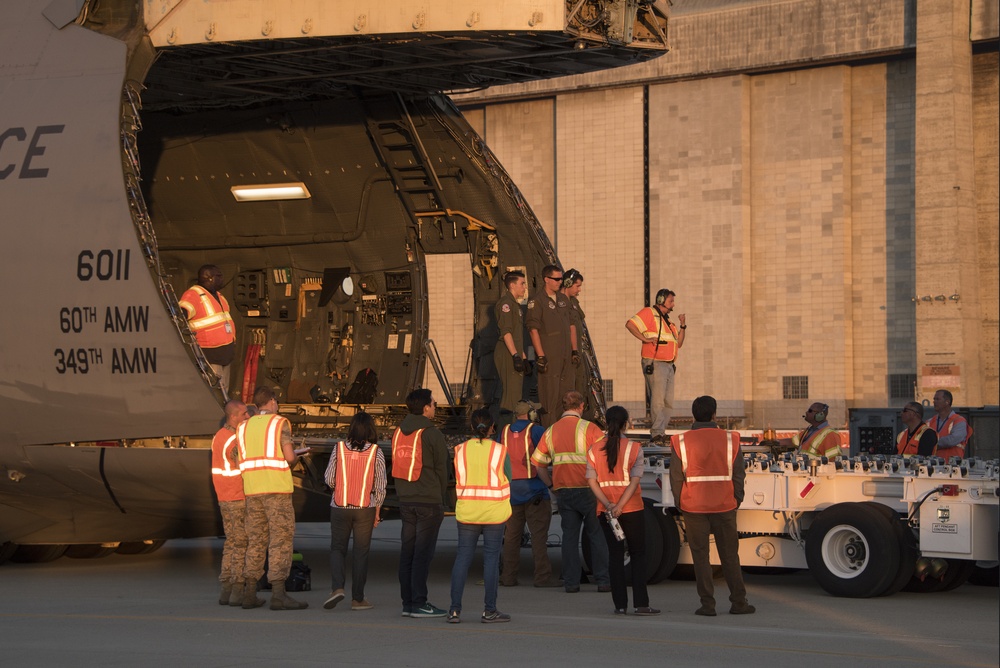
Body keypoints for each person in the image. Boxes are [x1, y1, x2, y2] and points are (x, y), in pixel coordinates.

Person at [670, 395, 755, 616]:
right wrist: (737, 498)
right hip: (724, 505)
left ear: (693, 415)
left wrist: (680, 502)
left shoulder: (681, 441)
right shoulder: (730, 440)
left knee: (700, 557)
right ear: (714, 414)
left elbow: (676, 477)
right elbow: (739, 473)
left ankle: (707, 605)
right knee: (729, 557)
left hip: (693, 507)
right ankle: (739, 603)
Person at [237, 386, 309, 610]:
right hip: (276, 490)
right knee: (280, 541)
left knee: (256, 541)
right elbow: (288, 458)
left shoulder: (243, 426)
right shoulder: (280, 423)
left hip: (252, 490)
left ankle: (249, 593)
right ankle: (278, 594)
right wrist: (298, 456)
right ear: (271, 401)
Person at [531, 390, 610, 593]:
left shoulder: (551, 431)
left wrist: (550, 486)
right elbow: (607, 457)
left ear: (563, 407)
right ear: (581, 406)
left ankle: (571, 583)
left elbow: (538, 464)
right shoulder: (591, 428)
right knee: (596, 534)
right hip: (588, 490)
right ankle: (603, 580)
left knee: (569, 537)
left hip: (563, 491)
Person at [587, 406, 660, 616]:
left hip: (606, 511)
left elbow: (592, 482)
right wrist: (620, 506)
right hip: (632, 509)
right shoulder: (634, 448)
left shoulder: (593, 450)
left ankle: (620, 605)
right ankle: (641, 604)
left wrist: (609, 505)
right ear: (625, 423)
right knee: (638, 554)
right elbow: (634, 480)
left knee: (615, 556)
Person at [447, 408, 513, 624]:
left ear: (472, 427)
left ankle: (454, 610)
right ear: (493, 427)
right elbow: (509, 477)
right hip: (494, 513)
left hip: (467, 512)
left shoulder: (460, 450)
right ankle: (489, 610)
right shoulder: (500, 451)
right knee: (491, 560)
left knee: (462, 558)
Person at [393, 388, 450, 618]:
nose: (435, 407)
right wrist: (441, 496)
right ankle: (419, 602)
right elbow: (441, 469)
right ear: (426, 408)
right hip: (427, 500)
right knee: (422, 555)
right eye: (434, 404)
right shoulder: (432, 433)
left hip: (406, 500)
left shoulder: (399, 431)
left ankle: (408, 603)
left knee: (408, 552)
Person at [323, 411, 387, 612]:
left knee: (337, 548)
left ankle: (337, 588)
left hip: (339, 507)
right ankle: (358, 599)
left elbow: (329, 478)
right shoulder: (376, 452)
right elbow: (381, 485)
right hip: (364, 508)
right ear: (371, 429)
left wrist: (341, 489)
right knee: (361, 552)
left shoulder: (338, 449)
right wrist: (377, 509)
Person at [500, 400, 559, 588]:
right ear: (532, 414)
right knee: (538, 537)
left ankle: (508, 577)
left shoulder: (504, 431)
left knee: (511, 538)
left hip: (511, 493)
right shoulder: (537, 431)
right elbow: (549, 454)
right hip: (535, 492)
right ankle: (542, 578)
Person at [626, 289, 686, 444]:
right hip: (655, 363)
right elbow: (630, 324)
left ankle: (661, 431)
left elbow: (678, 343)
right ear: (661, 300)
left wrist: (683, 326)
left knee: (668, 402)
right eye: (671, 300)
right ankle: (657, 432)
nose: (673, 304)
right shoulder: (649, 313)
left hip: (669, 365)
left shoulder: (669, 322)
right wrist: (644, 339)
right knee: (658, 400)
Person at [210, 399, 251, 606]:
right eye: (244, 414)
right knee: (241, 545)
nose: (248, 417)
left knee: (231, 543)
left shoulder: (219, 436)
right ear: (233, 416)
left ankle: (225, 590)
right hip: (237, 496)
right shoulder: (234, 440)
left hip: (224, 497)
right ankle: (237, 591)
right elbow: (241, 464)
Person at [526, 265, 578, 426]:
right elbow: (533, 329)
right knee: (549, 396)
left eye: (561, 279)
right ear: (546, 279)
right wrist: (540, 355)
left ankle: (564, 430)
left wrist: (574, 350)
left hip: (565, 355)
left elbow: (571, 325)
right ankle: (549, 433)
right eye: (556, 279)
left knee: (566, 394)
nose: (560, 282)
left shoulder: (563, 300)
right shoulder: (537, 301)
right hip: (550, 355)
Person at [179, 264, 237, 397]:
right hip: (209, 353)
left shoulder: (218, 295)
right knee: (214, 392)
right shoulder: (193, 294)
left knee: (224, 393)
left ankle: (224, 416)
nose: (222, 279)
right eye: (219, 276)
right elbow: (180, 315)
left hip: (225, 354)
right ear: (209, 278)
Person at [494, 270, 528, 427]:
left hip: (514, 352)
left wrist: (523, 357)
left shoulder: (515, 305)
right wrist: (515, 356)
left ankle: (512, 429)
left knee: (516, 393)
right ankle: (505, 431)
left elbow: (516, 336)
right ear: (512, 285)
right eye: (522, 283)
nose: (524, 287)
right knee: (510, 396)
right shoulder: (506, 304)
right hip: (507, 353)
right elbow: (506, 333)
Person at [560, 269, 592, 413]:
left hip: (577, 351)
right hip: (567, 352)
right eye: (577, 286)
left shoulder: (573, 302)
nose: (579, 290)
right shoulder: (559, 302)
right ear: (568, 283)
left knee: (580, 384)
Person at [927, 390, 973, 460]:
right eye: (934, 399)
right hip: (933, 466)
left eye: (937, 399)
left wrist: (932, 444)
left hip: (952, 467)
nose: (934, 402)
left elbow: (951, 440)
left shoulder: (959, 421)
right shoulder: (930, 422)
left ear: (947, 402)